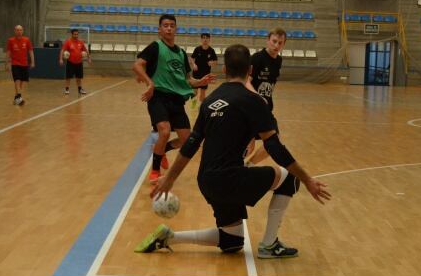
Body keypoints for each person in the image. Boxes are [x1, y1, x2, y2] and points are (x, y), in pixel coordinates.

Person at [134, 44, 331, 259]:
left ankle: (170, 237)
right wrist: (308, 179)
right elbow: (274, 147)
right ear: (251, 71)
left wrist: (169, 179)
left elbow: (190, 144)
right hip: (230, 178)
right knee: (290, 179)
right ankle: (269, 244)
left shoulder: (209, 101)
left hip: (207, 181)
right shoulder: (254, 101)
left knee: (232, 242)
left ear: (225, 70)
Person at [133, 14, 215, 184]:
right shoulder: (155, 47)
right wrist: (150, 83)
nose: (169, 28)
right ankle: (155, 171)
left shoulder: (182, 53)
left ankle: (162, 151)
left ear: (176, 29)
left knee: (187, 141)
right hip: (158, 97)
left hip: (176, 101)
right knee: (164, 130)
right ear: (159, 29)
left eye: (172, 25)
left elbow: (187, 80)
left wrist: (200, 82)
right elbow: (137, 64)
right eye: (165, 25)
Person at [245, 28, 287, 165]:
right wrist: (258, 97)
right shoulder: (257, 58)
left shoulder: (278, 61)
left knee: (274, 143)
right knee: (248, 146)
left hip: (265, 110)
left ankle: (248, 166)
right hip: (251, 108)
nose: (276, 45)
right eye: (274, 41)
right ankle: (233, 168)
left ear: (283, 45)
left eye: (280, 43)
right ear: (268, 40)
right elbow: (245, 81)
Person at [5, 25, 35, 106]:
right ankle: (19, 97)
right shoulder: (10, 40)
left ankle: (16, 98)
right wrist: (7, 63)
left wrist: (32, 62)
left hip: (24, 64)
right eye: (17, 30)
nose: (19, 31)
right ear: (15, 31)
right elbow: (8, 52)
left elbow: (31, 51)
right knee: (17, 80)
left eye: (21, 30)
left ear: (23, 31)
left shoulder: (27, 40)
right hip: (15, 63)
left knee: (22, 81)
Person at [59, 28, 91, 96]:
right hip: (71, 62)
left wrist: (89, 58)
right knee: (68, 77)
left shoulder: (80, 42)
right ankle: (67, 89)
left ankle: (80, 89)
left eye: (77, 34)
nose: (76, 35)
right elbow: (62, 50)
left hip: (79, 62)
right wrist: (61, 59)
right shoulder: (68, 42)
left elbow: (86, 50)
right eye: (75, 34)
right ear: (72, 34)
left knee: (79, 77)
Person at [189, 32, 218, 109]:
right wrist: (193, 64)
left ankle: (201, 106)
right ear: (201, 39)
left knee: (203, 92)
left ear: (209, 39)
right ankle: (193, 104)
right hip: (196, 73)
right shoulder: (197, 49)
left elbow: (216, 61)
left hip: (205, 74)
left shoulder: (211, 50)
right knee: (194, 92)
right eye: (203, 38)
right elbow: (191, 58)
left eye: (207, 38)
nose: (205, 40)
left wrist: (212, 62)